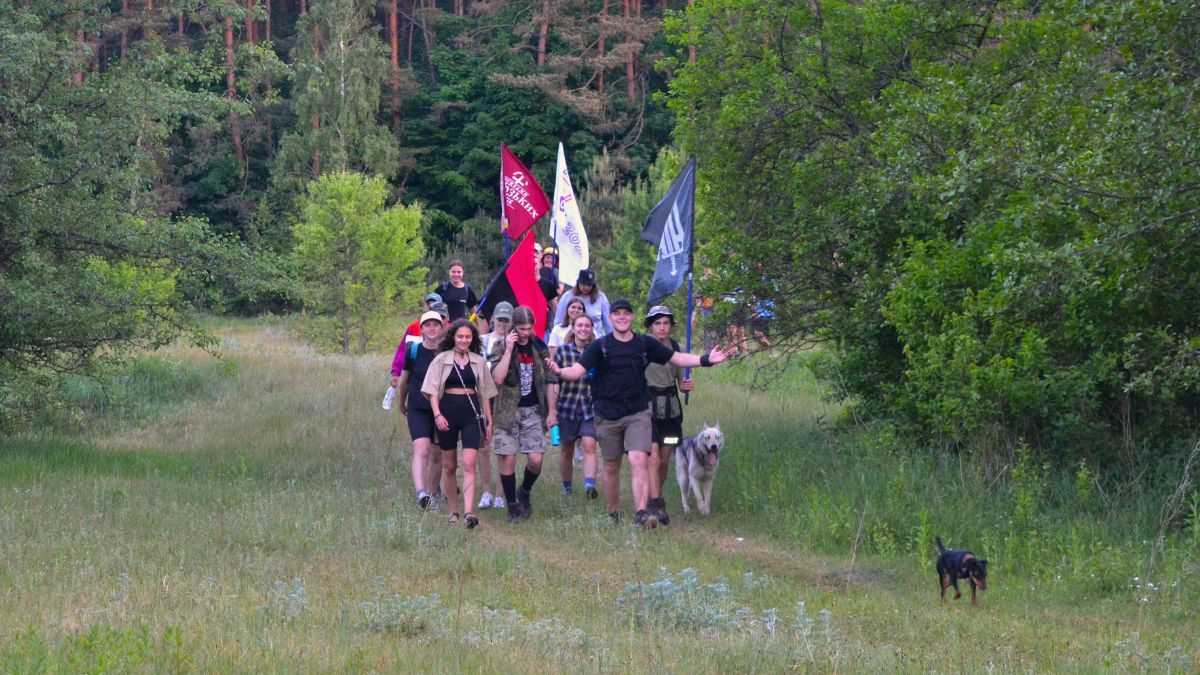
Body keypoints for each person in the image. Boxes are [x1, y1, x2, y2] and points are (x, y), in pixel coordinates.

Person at [547, 299, 730, 528]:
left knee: (640, 459)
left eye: (626, 313)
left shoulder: (644, 344)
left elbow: (677, 358)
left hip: (639, 411)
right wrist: (559, 371)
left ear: (632, 317)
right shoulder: (600, 346)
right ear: (611, 318)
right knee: (612, 465)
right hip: (607, 413)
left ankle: (642, 512)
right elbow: (577, 371)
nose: (622, 317)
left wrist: (706, 360)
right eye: (617, 314)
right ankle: (613, 512)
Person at [421, 319, 497, 529]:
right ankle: (454, 510)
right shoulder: (441, 359)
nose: (464, 340)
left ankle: (469, 512)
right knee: (450, 466)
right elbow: (432, 390)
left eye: (468, 337)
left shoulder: (478, 361)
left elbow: (485, 394)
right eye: (460, 336)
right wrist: (437, 415)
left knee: (469, 464)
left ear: (473, 339)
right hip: (446, 414)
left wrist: (489, 420)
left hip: (471, 415)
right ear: (453, 337)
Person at [487, 306, 553, 523]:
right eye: (521, 328)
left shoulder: (539, 346)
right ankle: (513, 507)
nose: (525, 332)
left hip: (533, 409)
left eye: (529, 328)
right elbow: (496, 378)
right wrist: (508, 350)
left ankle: (524, 491)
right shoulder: (500, 346)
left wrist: (552, 411)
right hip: (507, 410)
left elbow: (550, 379)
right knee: (508, 457)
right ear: (513, 327)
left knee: (535, 460)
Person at [643, 306, 694, 526]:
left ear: (671, 326)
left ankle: (656, 495)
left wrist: (686, 385)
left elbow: (682, 383)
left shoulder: (677, 348)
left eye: (665, 323)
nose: (662, 327)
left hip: (671, 410)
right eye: (657, 323)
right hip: (647, 407)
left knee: (664, 459)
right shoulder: (642, 346)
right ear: (650, 326)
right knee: (652, 457)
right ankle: (653, 501)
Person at [393, 311, 446, 511]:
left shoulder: (446, 353)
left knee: (437, 453)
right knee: (421, 449)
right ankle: (421, 493)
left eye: (435, 324)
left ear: (441, 328)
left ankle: (433, 494)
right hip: (417, 407)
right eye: (427, 325)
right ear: (421, 329)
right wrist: (401, 403)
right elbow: (405, 380)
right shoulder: (413, 351)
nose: (431, 328)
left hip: (441, 409)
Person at [546, 312, 599, 499]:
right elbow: (553, 381)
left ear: (592, 329)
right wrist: (551, 412)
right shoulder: (563, 351)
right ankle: (567, 488)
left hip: (590, 408)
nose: (583, 329)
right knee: (567, 450)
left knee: (589, 444)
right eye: (580, 325)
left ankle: (589, 486)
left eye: (587, 326)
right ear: (573, 329)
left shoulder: (598, 351)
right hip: (567, 406)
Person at [476, 302, 515, 512]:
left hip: (505, 399)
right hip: (481, 398)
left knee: (503, 448)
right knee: (483, 445)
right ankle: (486, 491)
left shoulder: (514, 343)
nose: (502, 323)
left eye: (506, 320)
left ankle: (501, 495)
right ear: (492, 320)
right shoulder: (481, 341)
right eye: (499, 319)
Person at [552, 269, 613, 337]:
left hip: (596, 339)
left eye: (589, 285)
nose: (586, 287)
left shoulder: (601, 297)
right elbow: (558, 321)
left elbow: (609, 323)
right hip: (571, 339)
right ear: (578, 283)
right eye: (583, 284)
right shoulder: (567, 296)